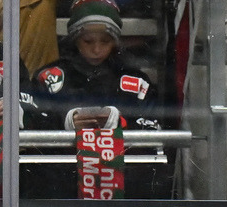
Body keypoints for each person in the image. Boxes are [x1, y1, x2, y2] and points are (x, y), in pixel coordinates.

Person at [30, 0, 159, 132]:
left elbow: (155, 133)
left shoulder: (138, 82)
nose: (96, 50)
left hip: (121, 153)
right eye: (88, 41)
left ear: (115, 41)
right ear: (75, 39)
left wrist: (120, 123)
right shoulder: (47, 79)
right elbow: (31, 129)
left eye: (105, 41)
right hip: (65, 153)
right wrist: (66, 123)